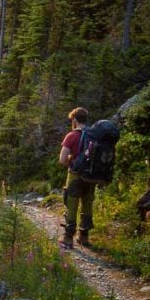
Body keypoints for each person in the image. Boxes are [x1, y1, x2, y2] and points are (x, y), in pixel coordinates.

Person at [58, 107, 94, 249]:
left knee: (72, 204)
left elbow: (62, 159)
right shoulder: (93, 135)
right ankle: (84, 236)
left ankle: (68, 238)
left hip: (75, 175)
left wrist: (71, 158)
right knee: (87, 204)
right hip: (91, 176)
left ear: (74, 119)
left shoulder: (71, 136)